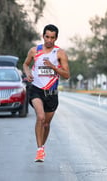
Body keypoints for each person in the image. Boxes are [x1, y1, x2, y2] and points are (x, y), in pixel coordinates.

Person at [23, 24, 70, 162]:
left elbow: (67, 75)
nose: (49, 40)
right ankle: (39, 150)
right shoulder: (34, 51)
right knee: (41, 117)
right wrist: (28, 73)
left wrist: (53, 67)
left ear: (56, 38)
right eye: (47, 37)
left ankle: (42, 146)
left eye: (52, 38)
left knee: (46, 124)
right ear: (43, 36)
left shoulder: (60, 53)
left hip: (51, 93)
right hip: (36, 89)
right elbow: (26, 64)